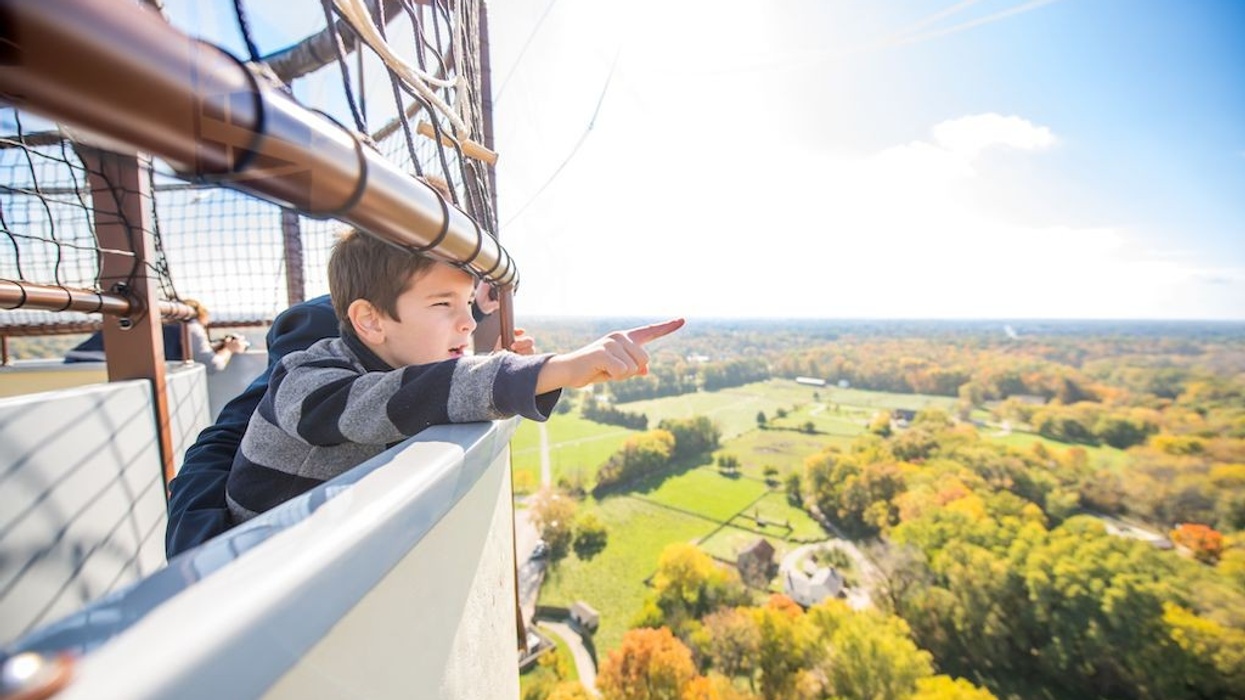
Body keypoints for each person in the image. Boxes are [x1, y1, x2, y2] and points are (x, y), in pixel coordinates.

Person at [223, 229, 683, 524]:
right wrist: (556, 368)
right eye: (444, 304)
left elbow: (427, 384)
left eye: (465, 304)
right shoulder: (307, 379)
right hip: (252, 584)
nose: (466, 323)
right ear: (370, 320)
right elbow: (404, 397)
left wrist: (496, 357)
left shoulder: (392, 360)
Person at [65, 298, 249, 373]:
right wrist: (229, 349)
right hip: (101, 367)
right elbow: (212, 365)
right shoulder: (190, 324)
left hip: (75, 362)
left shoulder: (157, 320)